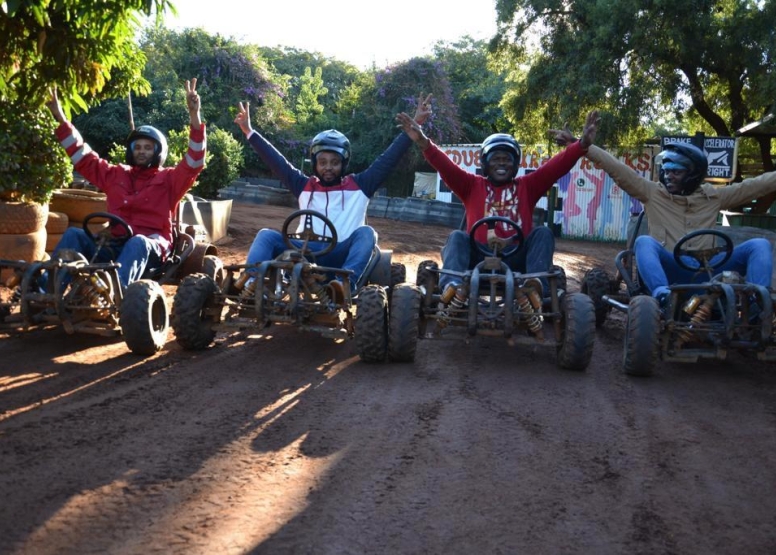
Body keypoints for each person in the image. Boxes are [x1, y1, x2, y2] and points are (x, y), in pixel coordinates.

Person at [233, 93, 432, 297]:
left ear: (343, 164)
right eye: (323, 162)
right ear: (315, 163)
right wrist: (249, 131)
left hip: (341, 254)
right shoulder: (303, 186)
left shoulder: (361, 185)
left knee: (367, 234)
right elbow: (276, 161)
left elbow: (388, 159)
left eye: (335, 162)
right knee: (266, 235)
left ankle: (344, 284)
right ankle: (251, 280)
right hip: (305, 253)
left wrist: (415, 124)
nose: (329, 167)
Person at [395, 110, 600, 303]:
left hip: (518, 259)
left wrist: (581, 145)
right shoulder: (471, 185)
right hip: (477, 257)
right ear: (485, 164)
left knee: (543, 233)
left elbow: (556, 167)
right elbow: (444, 165)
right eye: (495, 159)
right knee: (456, 237)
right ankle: (452, 286)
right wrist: (422, 140)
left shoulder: (528, 186)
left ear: (515, 165)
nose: (501, 164)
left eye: (506, 159)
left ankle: (536, 284)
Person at [575, 139, 776, 309]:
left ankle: (758, 304)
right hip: (670, 270)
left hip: (708, 272)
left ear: (692, 175)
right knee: (644, 242)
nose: (668, 176)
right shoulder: (652, 192)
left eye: (676, 172)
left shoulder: (713, 196)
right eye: (667, 170)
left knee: (760, 245)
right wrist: (586, 147)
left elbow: (755, 186)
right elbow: (619, 170)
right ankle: (663, 297)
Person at [45, 79, 206, 289]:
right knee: (74, 234)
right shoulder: (116, 174)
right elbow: (83, 157)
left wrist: (195, 116)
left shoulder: (169, 179)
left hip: (151, 247)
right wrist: (60, 118)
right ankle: (43, 291)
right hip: (114, 244)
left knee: (137, 241)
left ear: (158, 152)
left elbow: (194, 161)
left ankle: (110, 296)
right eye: (137, 147)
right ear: (131, 150)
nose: (141, 151)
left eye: (148, 147)